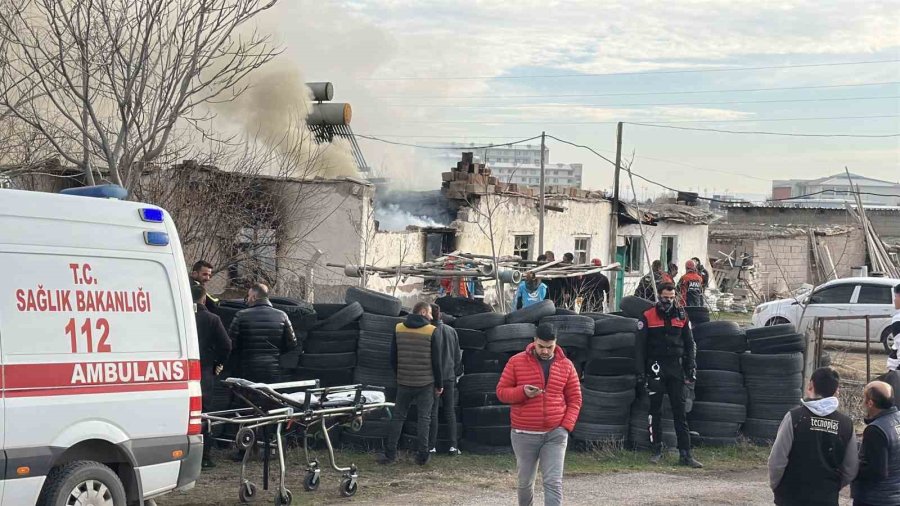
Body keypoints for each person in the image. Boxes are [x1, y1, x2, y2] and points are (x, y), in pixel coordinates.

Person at [497, 323, 582, 506]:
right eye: (541, 346)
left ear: (556, 343)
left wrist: (565, 427)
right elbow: (502, 392)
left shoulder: (566, 365)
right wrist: (522, 392)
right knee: (525, 482)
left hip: (555, 434)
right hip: (523, 434)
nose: (545, 351)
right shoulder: (516, 361)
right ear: (534, 341)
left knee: (553, 482)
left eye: (549, 347)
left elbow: (575, 399)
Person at [768, 367, 858, 506]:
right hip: (826, 498)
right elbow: (850, 468)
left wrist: (777, 486)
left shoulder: (795, 417)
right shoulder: (846, 424)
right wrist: (833, 487)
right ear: (836, 391)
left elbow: (777, 460)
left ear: (810, 385)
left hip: (791, 496)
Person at [635, 282, 702, 468]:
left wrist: (691, 366)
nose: (668, 301)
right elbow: (639, 347)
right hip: (655, 367)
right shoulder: (647, 316)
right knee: (654, 410)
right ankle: (656, 450)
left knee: (680, 411)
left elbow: (690, 343)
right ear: (659, 297)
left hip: (675, 367)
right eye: (665, 298)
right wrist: (640, 372)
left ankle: (686, 454)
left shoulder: (682, 315)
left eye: (672, 298)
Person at [379, 302, 443, 466]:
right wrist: (439, 383)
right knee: (424, 419)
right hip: (425, 383)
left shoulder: (399, 328)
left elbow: (392, 357)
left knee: (398, 417)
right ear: (422, 312)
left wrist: (400, 374)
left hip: (404, 381)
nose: (431, 316)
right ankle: (422, 456)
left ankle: (390, 454)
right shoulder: (432, 331)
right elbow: (437, 361)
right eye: (429, 313)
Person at [193, 284, 232, 469]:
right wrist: (218, 363)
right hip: (204, 371)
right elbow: (226, 345)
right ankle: (204, 456)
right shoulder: (212, 319)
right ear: (203, 299)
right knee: (204, 413)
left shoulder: (179, 318)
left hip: (179, 371)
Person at [228, 283, 296, 384]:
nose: (247, 299)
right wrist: (276, 353)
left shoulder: (241, 315)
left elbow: (230, 342)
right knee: (270, 397)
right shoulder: (282, 315)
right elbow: (292, 343)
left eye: (249, 296)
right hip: (273, 368)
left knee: (247, 397)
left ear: (254, 297)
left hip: (247, 368)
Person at [852, 381, 900, 506]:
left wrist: (851, 467)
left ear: (870, 403)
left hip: (876, 499)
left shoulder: (876, 430)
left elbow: (876, 471)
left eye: (864, 398)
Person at [429, 304, 463, 456]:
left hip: (432, 378)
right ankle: (453, 446)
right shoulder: (452, 331)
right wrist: (454, 373)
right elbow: (457, 356)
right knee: (450, 412)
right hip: (449, 377)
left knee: (433, 412)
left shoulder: (428, 332)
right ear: (440, 315)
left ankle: (431, 446)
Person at [877, 284, 900, 406]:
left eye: (896, 296)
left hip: (897, 373)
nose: (894, 300)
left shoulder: (898, 319)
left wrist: (897, 373)